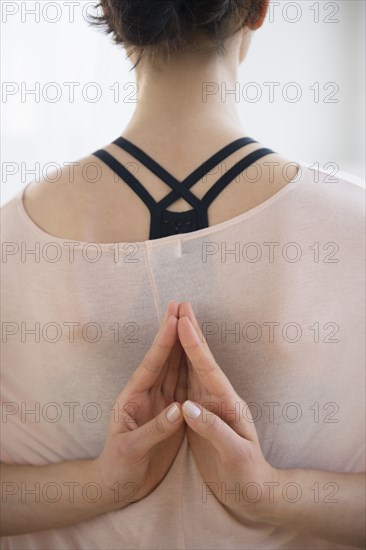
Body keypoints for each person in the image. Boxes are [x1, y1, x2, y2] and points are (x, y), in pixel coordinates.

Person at [1, 0, 364, 548]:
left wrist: (100, 486)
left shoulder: (10, 237)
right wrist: (267, 493)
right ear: (259, 10)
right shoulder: (354, 229)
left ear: (113, 13)